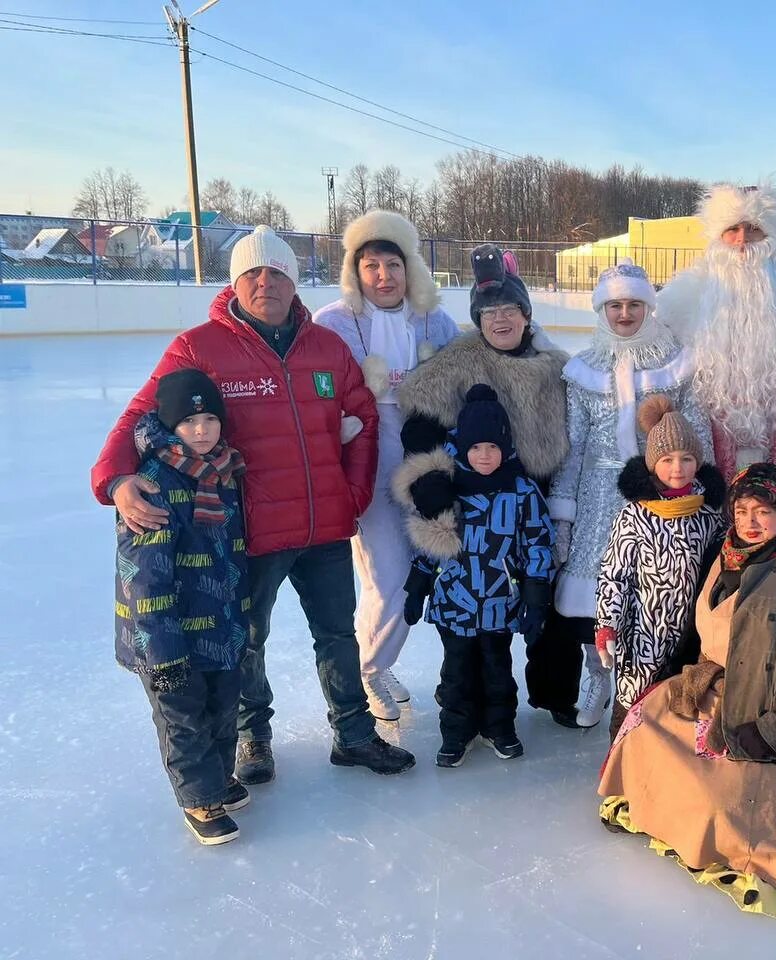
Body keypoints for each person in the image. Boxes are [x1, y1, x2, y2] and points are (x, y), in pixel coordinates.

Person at [92, 225, 415, 784]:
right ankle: (253, 736)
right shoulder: (200, 348)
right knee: (246, 639)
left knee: (337, 635)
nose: (266, 282)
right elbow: (141, 415)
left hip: (324, 524)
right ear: (236, 282)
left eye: (278, 273)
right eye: (253, 273)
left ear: (294, 281)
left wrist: (354, 492)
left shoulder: (326, 347)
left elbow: (362, 418)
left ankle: (354, 733)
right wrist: (114, 478)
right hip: (247, 530)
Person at [598, 463, 776, 918]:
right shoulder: (723, 554)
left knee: (719, 806)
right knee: (642, 730)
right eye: (742, 510)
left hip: (764, 709)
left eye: (763, 511)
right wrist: (670, 679)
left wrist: (773, 730)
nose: (750, 522)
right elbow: (698, 633)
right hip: (713, 689)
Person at [392, 245, 577, 726]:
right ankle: (468, 702)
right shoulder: (459, 360)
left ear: (526, 314)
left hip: (538, 497)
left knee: (546, 597)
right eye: (489, 312)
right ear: (477, 319)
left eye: (509, 309)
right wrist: (431, 478)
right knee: (476, 613)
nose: (500, 319)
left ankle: (555, 692)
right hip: (480, 505)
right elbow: (419, 423)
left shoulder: (557, 366)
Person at [548, 259, 709, 729]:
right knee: (596, 589)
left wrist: (701, 492)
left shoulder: (676, 363)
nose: (624, 314)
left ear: (648, 307)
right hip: (599, 494)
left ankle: (649, 686)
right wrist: (564, 512)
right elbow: (573, 447)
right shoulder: (583, 369)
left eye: (634, 304)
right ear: (601, 309)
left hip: (658, 493)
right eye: (615, 305)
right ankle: (597, 674)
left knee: (652, 595)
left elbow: (694, 431)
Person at [314, 210, 460, 722]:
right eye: (371, 265)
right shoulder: (333, 323)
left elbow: (466, 377)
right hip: (367, 457)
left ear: (409, 267)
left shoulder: (434, 321)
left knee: (420, 569)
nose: (383, 276)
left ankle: (375, 661)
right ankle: (370, 669)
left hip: (424, 457)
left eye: (393, 264)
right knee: (388, 575)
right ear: (355, 271)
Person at [114, 370, 250, 845]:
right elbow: (144, 576)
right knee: (184, 718)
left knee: (222, 707)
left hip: (220, 621)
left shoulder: (223, 471)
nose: (201, 430)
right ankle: (199, 798)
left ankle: (218, 778)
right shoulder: (152, 484)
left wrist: (239, 618)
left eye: (210, 419)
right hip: (167, 635)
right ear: (170, 426)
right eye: (189, 421)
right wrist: (162, 653)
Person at [655, 180, 776, 535]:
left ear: (770, 236)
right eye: (732, 230)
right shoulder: (681, 306)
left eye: (753, 229)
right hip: (707, 453)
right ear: (717, 235)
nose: (742, 241)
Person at [409, 385, 555, 767]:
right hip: (454, 602)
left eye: (492, 446)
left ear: (505, 447)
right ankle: (456, 732)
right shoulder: (447, 488)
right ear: (462, 448)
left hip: (499, 603)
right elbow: (429, 540)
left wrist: (536, 597)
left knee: (497, 670)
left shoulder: (522, 490)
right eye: (475, 447)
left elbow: (538, 542)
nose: (485, 455)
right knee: (456, 672)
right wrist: (417, 586)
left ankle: (499, 727)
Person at [594, 395, 725, 739]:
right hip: (643, 632)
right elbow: (614, 576)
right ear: (653, 465)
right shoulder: (635, 515)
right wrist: (607, 625)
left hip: (690, 632)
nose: (677, 468)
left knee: (679, 705)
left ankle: (665, 766)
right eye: (667, 459)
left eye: (686, 458)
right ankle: (620, 763)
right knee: (632, 705)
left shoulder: (708, 514)